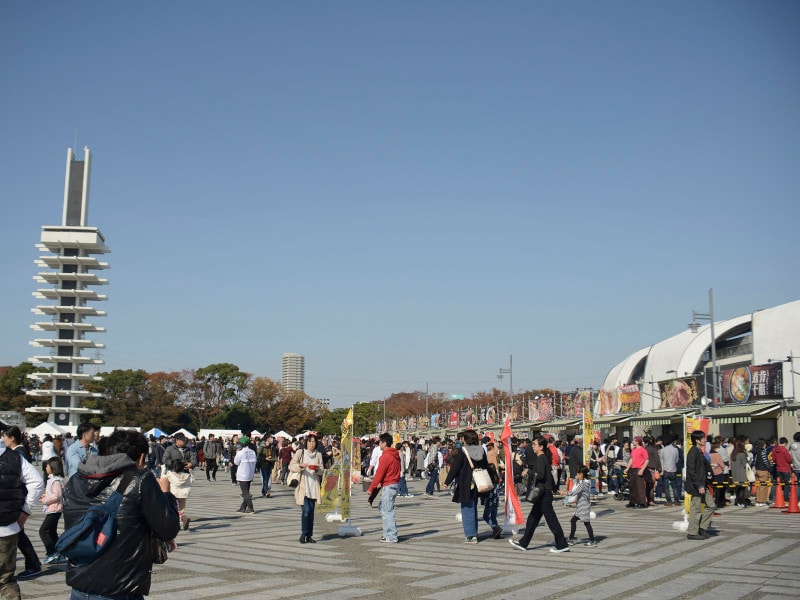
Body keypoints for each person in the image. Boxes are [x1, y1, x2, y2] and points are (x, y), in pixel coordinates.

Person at [62, 429, 181, 599]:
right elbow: (168, 529)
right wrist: (166, 494)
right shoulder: (140, 480)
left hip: (80, 581)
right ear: (140, 457)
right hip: (119, 584)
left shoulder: (76, 479)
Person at [0, 425, 44, 598]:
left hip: (8, 525)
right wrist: (25, 510)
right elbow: (37, 483)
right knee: (5, 580)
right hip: (7, 527)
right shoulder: (14, 458)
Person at [509, 435, 570, 553]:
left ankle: (562, 544)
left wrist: (529, 472)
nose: (533, 446)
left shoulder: (541, 459)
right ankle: (523, 543)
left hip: (543, 494)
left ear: (541, 447)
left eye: (535, 444)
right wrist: (554, 489)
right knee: (533, 519)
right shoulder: (542, 458)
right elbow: (549, 476)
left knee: (551, 520)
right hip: (543, 493)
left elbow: (541, 475)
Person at [445, 429, 496, 543]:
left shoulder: (463, 451)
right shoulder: (482, 450)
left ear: (465, 439)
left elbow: (455, 467)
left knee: (467, 509)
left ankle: (470, 535)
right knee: (474, 507)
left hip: (466, 483)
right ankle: (474, 532)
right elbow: (486, 466)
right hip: (478, 483)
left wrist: (447, 481)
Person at [367, 433, 401, 543]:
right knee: (383, 507)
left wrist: (371, 488)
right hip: (394, 484)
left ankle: (391, 536)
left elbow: (379, 474)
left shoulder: (385, 456)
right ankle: (387, 534)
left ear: (384, 443)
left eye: (380, 442)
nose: (379, 445)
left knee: (387, 510)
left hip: (389, 485)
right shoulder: (395, 454)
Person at [290, 435, 323, 543]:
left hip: (314, 485)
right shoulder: (300, 452)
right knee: (306, 511)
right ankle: (304, 533)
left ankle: (309, 535)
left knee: (311, 512)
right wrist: (300, 465)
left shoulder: (318, 454)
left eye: (313, 442)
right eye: (309, 442)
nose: (311, 444)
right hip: (303, 486)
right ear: (306, 443)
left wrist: (317, 469)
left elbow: (322, 470)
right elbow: (291, 466)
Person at [686, 430, 715, 540]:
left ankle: (702, 527)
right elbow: (691, 470)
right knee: (696, 509)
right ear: (697, 440)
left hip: (703, 483)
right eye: (703, 438)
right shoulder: (693, 452)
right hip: (696, 486)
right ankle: (693, 532)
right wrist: (699, 485)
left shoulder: (699, 451)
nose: (705, 440)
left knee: (711, 505)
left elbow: (703, 466)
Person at [39, 457, 66, 564]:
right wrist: (45, 496)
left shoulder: (55, 480)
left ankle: (51, 552)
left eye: (47, 465)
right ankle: (60, 553)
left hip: (54, 510)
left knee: (43, 531)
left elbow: (57, 495)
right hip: (54, 509)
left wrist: (45, 500)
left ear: (53, 467)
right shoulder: (53, 479)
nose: (45, 467)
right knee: (52, 532)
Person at [566, 465, 597, 547]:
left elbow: (574, 492)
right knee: (577, 521)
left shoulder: (583, 483)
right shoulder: (585, 482)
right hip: (582, 506)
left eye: (579, 474)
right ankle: (572, 539)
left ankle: (591, 540)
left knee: (585, 523)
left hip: (583, 506)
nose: (577, 475)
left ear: (582, 474)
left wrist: (563, 493)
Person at [165, 458, 193, 529]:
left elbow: (164, 478)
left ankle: (176, 522)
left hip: (173, 494)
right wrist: (190, 471)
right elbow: (191, 481)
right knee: (181, 510)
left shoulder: (170, 474)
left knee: (173, 509)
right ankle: (183, 517)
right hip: (183, 495)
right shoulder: (186, 475)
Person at [624, 436, 649, 509]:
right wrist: (627, 468)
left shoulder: (643, 450)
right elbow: (631, 459)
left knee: (639, 486)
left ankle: (642, 502)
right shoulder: (633, 450)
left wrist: (642, 469)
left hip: (639, 468)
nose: (632, 442)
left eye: (634, 440)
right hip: (633, 469)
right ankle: (632, 501)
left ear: (638, 442)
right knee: (632, 486)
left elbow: (647, 460)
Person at [234, 436, 257, 514]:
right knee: (246, 491)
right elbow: (255, 461)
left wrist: (237, 453)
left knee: (245, 493)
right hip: (250, 473)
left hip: (242, 474)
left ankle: (251, 508)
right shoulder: (252, 452)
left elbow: (236, 462)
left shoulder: (240, 452)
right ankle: (242, 507)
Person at [659, 436, 681, 506]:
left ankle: (669, 501)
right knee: (675, 486)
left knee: (666, 487)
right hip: (673, 469)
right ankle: (676, 500)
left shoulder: (663, 450)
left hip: (665, 470)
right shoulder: (675, 450)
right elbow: (677, 460)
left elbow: (661, 460)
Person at [730, 439, 751, 507]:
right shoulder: (742, 454)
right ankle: (741, 501)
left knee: (737, 488)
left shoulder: (732, 454)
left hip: (734, 474)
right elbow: (745, 464)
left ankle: (737, 501)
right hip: (742, 473)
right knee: (742, 488)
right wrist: (749, 460)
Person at [771, 437, 793, 504]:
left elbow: (773, 459)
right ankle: (786, 498)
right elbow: (789, 459)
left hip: (778, 468)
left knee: (778, 483)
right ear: (785, 443)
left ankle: (775, 497)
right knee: (786, 484)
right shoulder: (785, 450)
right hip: (786, 469)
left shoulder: (774, 450)